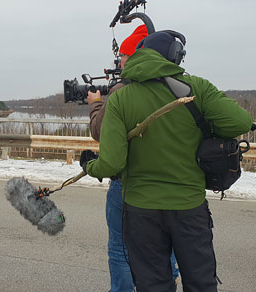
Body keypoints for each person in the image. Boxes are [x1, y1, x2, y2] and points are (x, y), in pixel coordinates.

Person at [81, 31, 252, 292]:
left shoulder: (120, 97)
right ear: (174, 57)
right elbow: (240, 122)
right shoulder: (197, 88)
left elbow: (111, 163)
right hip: (189, 207)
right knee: (201, 282)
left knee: (153, 284)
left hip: (140, 211)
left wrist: (89, 165)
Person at [86, 24, 178, 292]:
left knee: (120, 245)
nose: (120, 62)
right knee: (166, 242)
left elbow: (100, 133)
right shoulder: (178, 86)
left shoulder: (122, 91)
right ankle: (166, 283)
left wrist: (95, 104)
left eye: (124, 56)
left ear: (137, 55)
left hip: (128, 181)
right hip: (169, 180)